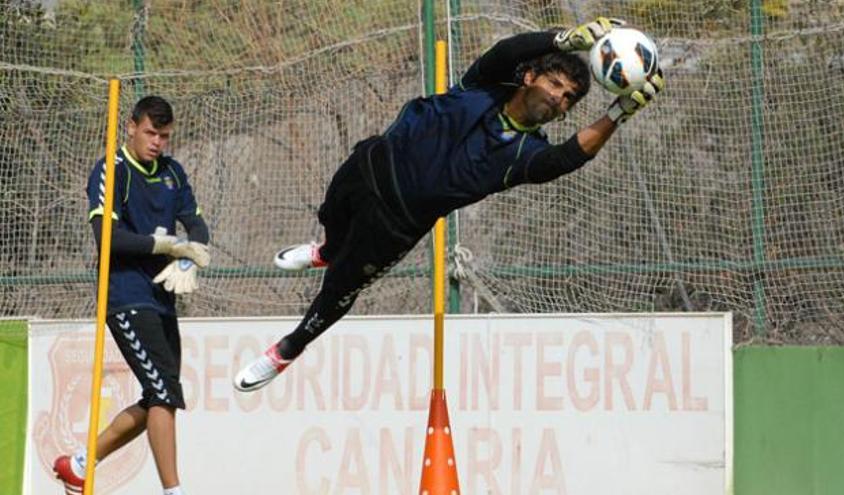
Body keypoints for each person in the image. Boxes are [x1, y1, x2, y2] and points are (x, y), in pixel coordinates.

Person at [234, 18, 663, 392]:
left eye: (569, 97)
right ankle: (324, 252)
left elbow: (566, 158)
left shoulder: (526, 154)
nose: (559, 98)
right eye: (555, 84)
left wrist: (618, 113)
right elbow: (506, 51)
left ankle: (289, 348)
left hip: (396, 225)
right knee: (332, 222)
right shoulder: (485, 85)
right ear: (530, 77)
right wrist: (567, 39)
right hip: (370, 164)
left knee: (339, 292)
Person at [53, 96, 210, 495]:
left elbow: (197, 226)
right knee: (162, 393)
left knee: (162, 395)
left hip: (162, 298)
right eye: (150, 133)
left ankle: (79, 464)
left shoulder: (174, 172)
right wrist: (165, 247)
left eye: (165, 136)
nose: (157, 142)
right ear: (131, 127)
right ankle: (173, 490)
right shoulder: (112, 169)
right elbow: (107, 238)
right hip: (125, 296)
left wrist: (190, 259)